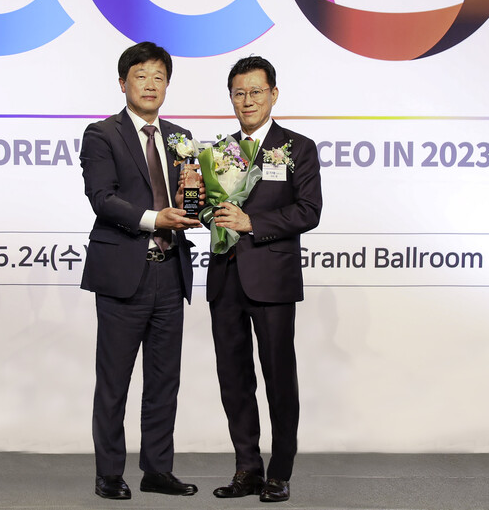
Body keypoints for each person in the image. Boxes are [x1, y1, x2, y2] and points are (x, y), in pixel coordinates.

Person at [80, 41, 203, 501]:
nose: (150, 84)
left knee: (164, 380)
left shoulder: (181, 138)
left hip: (170, 272)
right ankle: (110, 473)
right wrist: (155, 219)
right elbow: (102, 198)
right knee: (114, 380)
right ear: (123, 83)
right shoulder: (102, 134)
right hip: (123, 274)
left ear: (167, 85)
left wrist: (200, 205)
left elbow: (192, 198)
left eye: (159, 77)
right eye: (141, 75)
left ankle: (157, 470)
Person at [207, 56, 322, 503]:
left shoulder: (297, 147)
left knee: (278, 377)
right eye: (239, 93)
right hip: (225, 279)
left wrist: (251, 222)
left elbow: (308, 211)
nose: (248, 100)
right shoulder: (219, 152)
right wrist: (196, 204)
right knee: (234, 380)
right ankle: (247, 468)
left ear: (273, 94)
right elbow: (212, 210)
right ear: (230, 98)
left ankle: (280, 472)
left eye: (256, 91)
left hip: (272, 280)